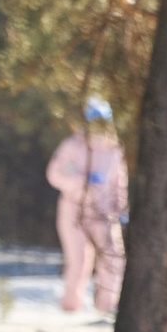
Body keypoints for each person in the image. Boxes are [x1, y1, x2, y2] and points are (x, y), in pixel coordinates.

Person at [46, 99, 129, 315]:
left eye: (102, 122)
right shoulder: (72, 145)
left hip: (104, 213)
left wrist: (121, 210)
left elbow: (119, 183)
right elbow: (54, 174)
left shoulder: (114, 149)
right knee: (80, 260)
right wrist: (80, 182)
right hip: (74, 211)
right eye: (94, 121)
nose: (98, 126)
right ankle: (71, 307)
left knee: (113, 257)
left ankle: (107, 306)